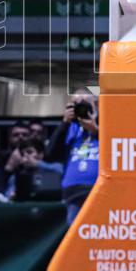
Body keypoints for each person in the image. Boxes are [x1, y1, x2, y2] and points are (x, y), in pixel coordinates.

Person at [46, 92, 99, 224]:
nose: (81, 107)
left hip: (99, 189)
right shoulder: (69, 128)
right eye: (75, 104)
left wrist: (96, 130)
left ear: (95, 105)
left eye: (85, 103)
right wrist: (65, 123)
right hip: (73, 192)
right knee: (75, 235)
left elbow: (116, 150)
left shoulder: (106, 125)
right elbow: (50, 155)